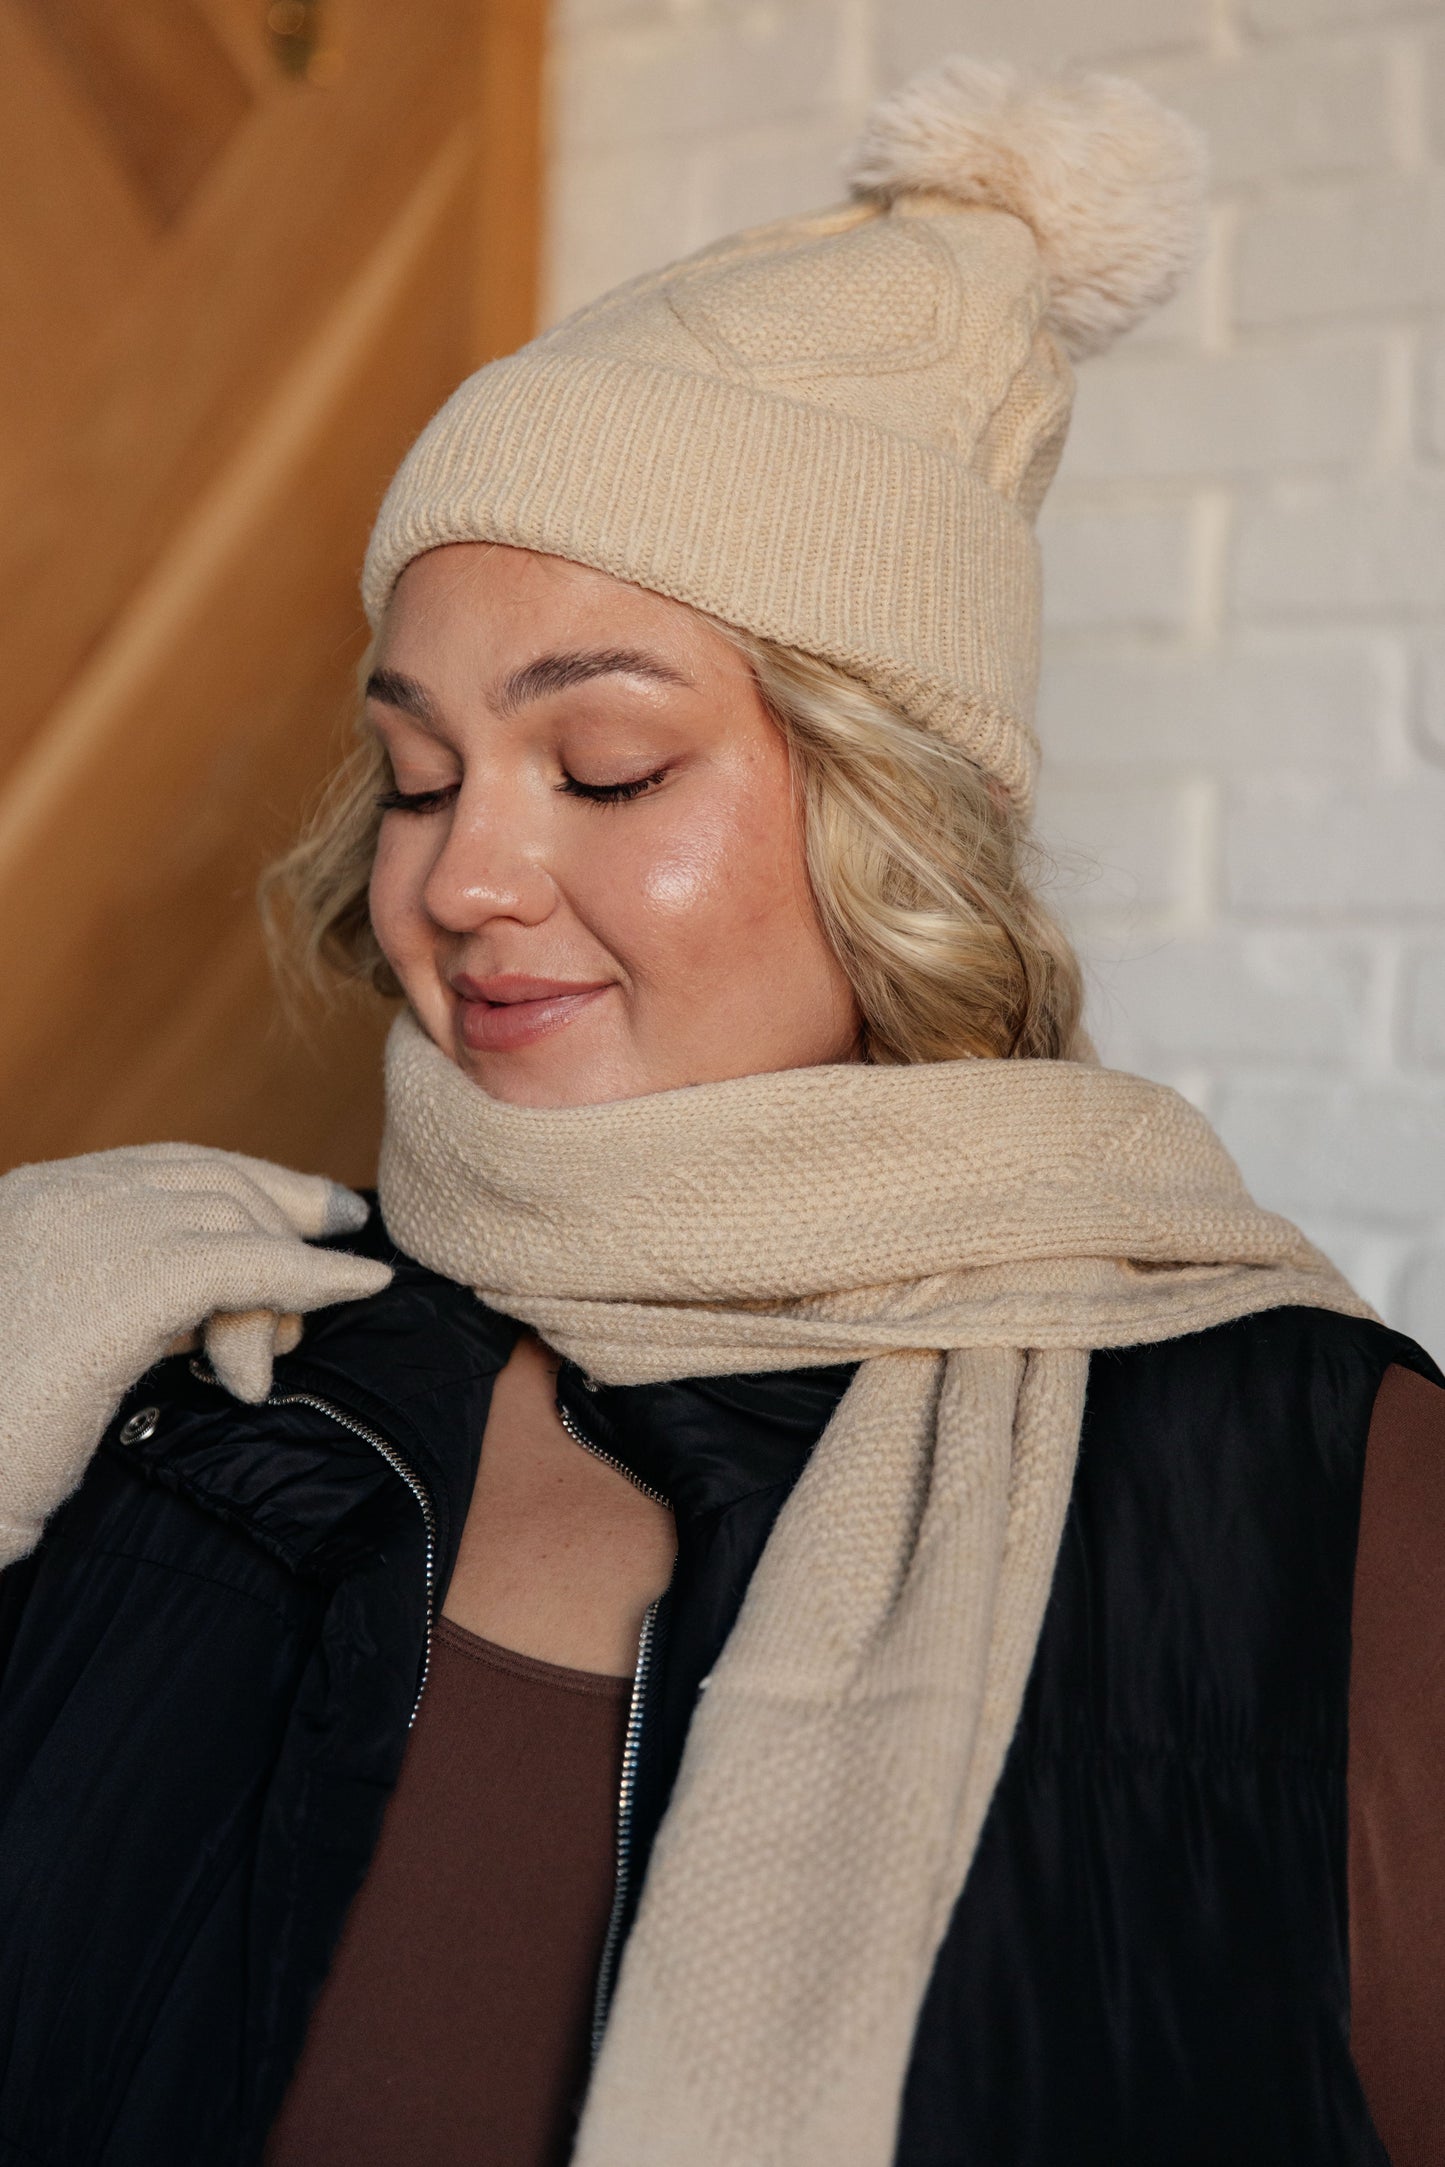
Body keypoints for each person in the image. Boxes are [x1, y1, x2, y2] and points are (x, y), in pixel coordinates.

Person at [1, 53, 1442, 2167]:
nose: (460, 879)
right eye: (416, 777)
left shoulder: (1325, 1490)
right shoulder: (160, 1368)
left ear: (897, 818)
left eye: (605, 769)